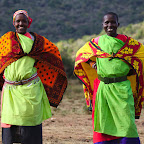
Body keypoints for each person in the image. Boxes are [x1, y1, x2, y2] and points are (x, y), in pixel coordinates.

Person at [74, 12, 144, 144]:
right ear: (103, 25)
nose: (110, 25)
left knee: (127, 124)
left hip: (122, 88)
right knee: (104, 124)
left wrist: (132, 69)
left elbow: (142, 54)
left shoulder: (127, 42)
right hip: (103, 90)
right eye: (107, 23)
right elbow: (81, 54)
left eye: (113, 22)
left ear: (118, 24)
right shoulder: (97, 42)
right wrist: (92, 64)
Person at [0, 10, 67, 144]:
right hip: (10, 92)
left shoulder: (37, 41)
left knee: (31, 129)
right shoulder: (6, 39)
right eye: (18, 21)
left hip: (30, 90)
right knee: (9, 129)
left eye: (23, 21)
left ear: (28, 23)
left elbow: (53, 52)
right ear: (13, 23)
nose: (20, 24)